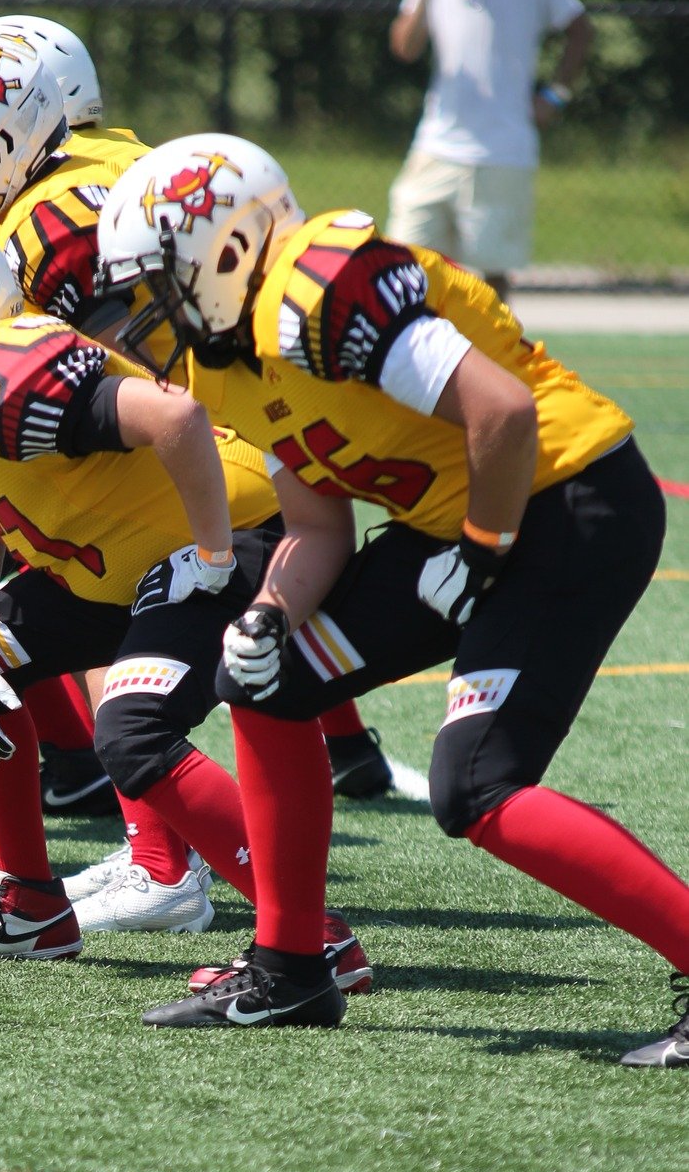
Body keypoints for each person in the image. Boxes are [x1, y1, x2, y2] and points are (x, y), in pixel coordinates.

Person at [95, 133, 689, 1066]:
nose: (145, 311)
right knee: (267, 679)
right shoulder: (228, 360)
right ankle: (291, 967)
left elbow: (503, 411)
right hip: (463, 526)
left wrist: (484, 553)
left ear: (227, 247)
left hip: (564, 503)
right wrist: (270, 614)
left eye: (157, 280)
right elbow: (317, 528)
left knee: (476, 785)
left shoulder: (320, 289)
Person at [0, 214, 371, 990]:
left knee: (132, 730)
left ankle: (311, 936)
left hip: (234, 540)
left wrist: (213, 555)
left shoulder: (4, 371)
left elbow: (174, 416)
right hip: (123, 574)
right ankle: (30, 910)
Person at [0, 30, 393, 813]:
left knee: (98, 557)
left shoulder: (38, 226)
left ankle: (154, 851)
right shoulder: (103, 160)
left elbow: (123, 394)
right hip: (256, 421)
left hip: (214, 440)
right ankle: (343, 748)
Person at [386, 0, 591, 306]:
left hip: (503, 148)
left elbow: (579, 28)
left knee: (493, 271)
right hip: (437, 143)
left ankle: (499, 362)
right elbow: (405, 47)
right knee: (404, 259)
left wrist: (555, 94)